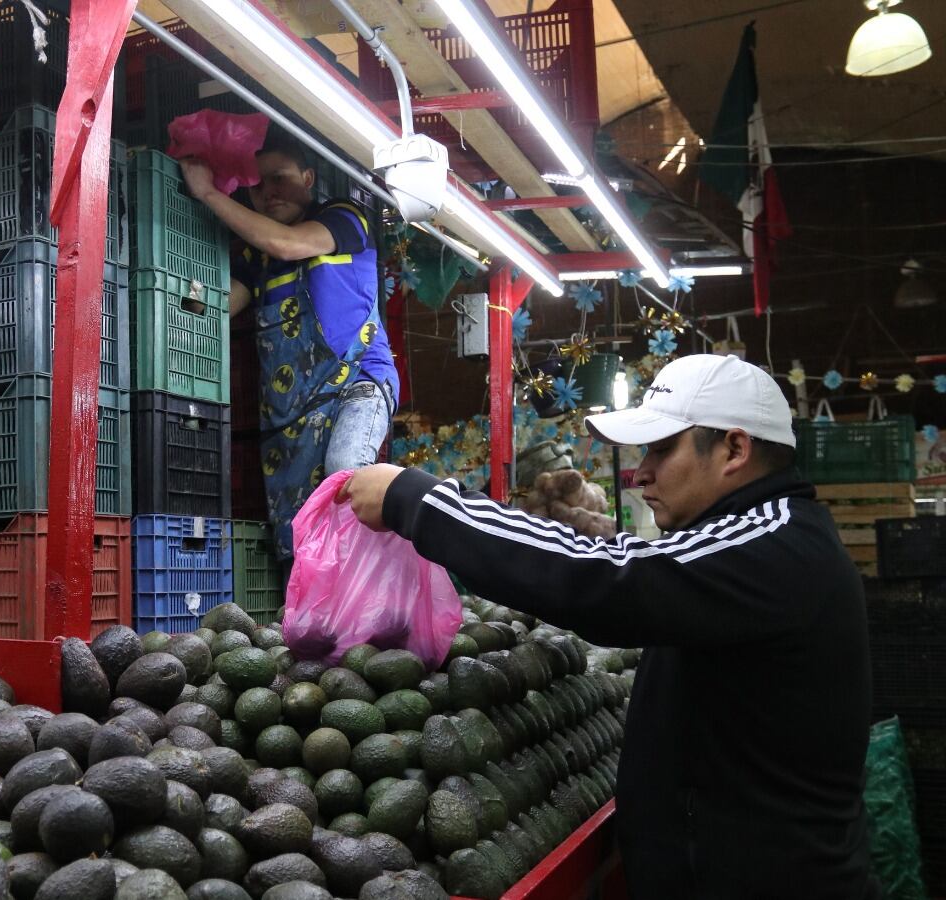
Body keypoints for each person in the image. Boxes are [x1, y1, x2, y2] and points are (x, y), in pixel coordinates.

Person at [337, 354, 874, 899]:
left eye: (663, 450)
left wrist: (418, 500)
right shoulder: (763, 538)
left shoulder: (773, 545)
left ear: (735, 449)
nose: (641, 473)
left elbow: (606, 578)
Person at [181, 134, 398, 558]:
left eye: (279, 178)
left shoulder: (344, 217)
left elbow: (288, 242)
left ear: (308, 177)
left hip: (358, 383)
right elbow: (224, 304)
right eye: (257, 185)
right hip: (292, 410)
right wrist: (183, 293)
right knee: (298, 527)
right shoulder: (258, 260)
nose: (268, 191)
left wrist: (205, 191)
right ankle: (307, 615)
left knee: (347, 476)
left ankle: (376, 587)